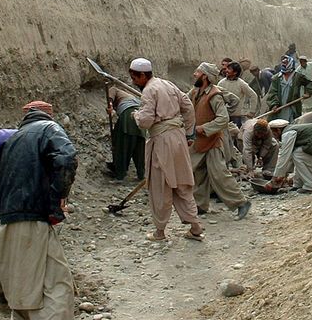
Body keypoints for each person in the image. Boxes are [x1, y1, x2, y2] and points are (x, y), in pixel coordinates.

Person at [0, 101, 77, 320]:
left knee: (21, 288)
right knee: (56, 288)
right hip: (33, 219)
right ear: (49, 115)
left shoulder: (12, 139)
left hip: (8, 220)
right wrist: (56, 201)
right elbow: (67, 157)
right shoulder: (49, 129)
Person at [129, 58, 205, 242]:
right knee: (182, 184)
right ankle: (195, 228)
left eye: (134, 77)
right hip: (178, 139)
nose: (133, 81)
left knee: (160, 185)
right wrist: (188, 133)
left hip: (162, 142)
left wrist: (136, 116)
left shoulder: (148, 91)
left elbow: (146, 121)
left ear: (142, 75)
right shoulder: (167, 84)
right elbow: (187, 106)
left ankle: (160, 232)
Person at [187, 62, 251, 219]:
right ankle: (200, 205)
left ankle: (241, 203)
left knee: (219, 174)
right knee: (198, 172)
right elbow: (183, 102)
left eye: (198, 72)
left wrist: (205, 127)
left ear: (205, 76)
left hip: (213, 141)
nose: (195, 74)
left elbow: (223, 119)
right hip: (200, 141)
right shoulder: (195, 92)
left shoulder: (214, 95)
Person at [107, 85, 145, 180]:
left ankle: (120, 174)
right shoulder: (131, 97)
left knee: (122, 144)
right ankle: (141, 174)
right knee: (138, 147)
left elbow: (112, 91)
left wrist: (110, 105)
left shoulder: (115, 90)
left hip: (129, 113)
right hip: (141, 116)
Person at [266, 56, 312, 123]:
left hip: (292, 107)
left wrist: (308, 93)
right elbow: (272, 92)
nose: (284, 65)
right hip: (279, 108)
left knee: (291, 124)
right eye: (283, 63)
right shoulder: (277, 78)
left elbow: (309, 83)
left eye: (286, 63)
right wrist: (274, 104)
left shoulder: (297, 76)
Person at [218, 61, 259, 127]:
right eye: (227, 69)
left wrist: (252, 111)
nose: (227, 71)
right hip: (223, 116)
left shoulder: (241, 83)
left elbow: (253, 95)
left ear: (235, 72)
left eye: (229, 69)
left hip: (236, 117)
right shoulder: (221, 83)